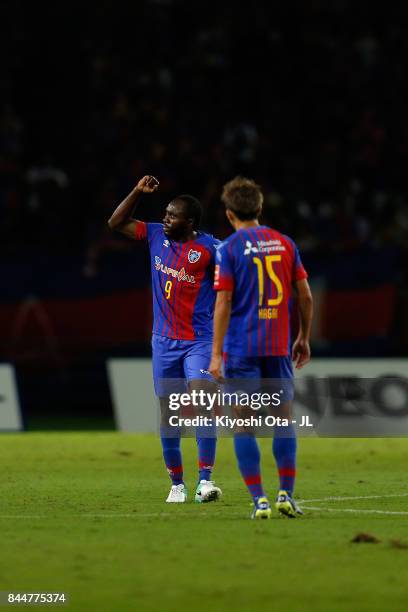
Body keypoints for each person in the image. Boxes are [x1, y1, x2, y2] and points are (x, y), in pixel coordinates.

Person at [108, 175, 222, 504]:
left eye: (173, 215)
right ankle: (177, 484)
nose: (166, 218)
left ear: (190, 222)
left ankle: (205, 481)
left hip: (199, 341)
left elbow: (236, 272)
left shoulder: (210, 248)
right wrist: (136, 192)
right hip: (163, 343)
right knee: (169, 413)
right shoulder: (155, 234)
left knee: (202, 404)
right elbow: (116, 223)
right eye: (166, 213)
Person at [209, 176, 313, 519]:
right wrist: (303, 337)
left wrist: (215, 353)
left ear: (229, 214)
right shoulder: (285, 243)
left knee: (243, 425)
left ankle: (260, 501)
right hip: (277, 348)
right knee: (284, 422)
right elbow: (305, 295)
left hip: (241, 350)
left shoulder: (229, 249)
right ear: (260, 207)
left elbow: (223, 300)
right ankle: (286, 494)